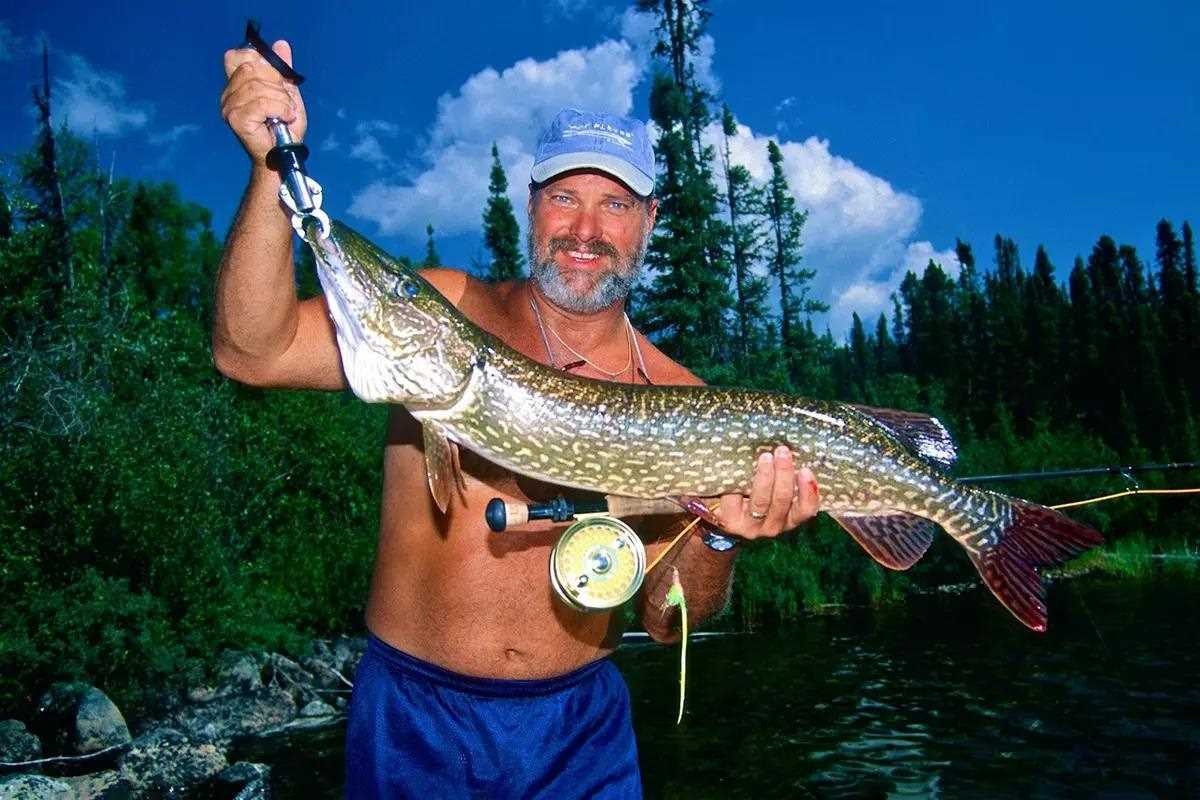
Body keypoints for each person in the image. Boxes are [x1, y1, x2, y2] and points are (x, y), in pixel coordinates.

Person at [216, 39, 820, 799]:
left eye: (615, 204)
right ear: (531, 205)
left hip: (581, 734)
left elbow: (670, 621)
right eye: (565, 197)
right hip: (414, 716)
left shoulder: (680, 398)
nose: (585, 229)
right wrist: (270, 171)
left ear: (649, 220)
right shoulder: (449, 306)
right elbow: (252, 351)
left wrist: (723, 534)